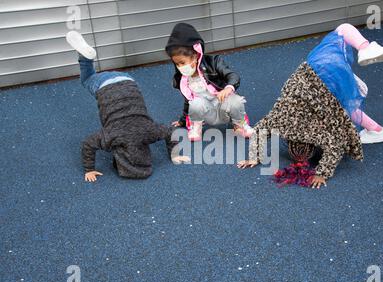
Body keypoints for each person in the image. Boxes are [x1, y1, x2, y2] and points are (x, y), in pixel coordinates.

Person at [238, 23, 383, 189]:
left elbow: (335, 145)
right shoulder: (281, 122)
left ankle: (375, 127)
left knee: (342, 108)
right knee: (342, 30)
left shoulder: (317, 131)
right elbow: (259, 131)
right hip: (317, 70)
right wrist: (254, 156)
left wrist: (321, 173)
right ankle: (375, 128)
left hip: (328, 76)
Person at [66, 31, 190, 182]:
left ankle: (87, 57)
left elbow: (171, 132)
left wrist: (175, 155)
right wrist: (89, 170)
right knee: (86, 80)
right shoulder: (112, 137)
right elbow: (87, 144)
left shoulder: (150, 132)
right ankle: (85, 58)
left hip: (128, 82)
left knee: (92, 80)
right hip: (104, 86)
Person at [166, 23, 254, 141]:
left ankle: (240, 124)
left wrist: (228, 88)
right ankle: (196, 127)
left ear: (195, 55)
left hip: (222, 105)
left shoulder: (214, 62)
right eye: (176, 64)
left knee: (236, 100)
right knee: (195, 103)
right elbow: (188, 102)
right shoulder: (182, 79)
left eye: (182, 62)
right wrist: (182, 121)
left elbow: (233, 76)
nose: (179, 67)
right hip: (206, 112)